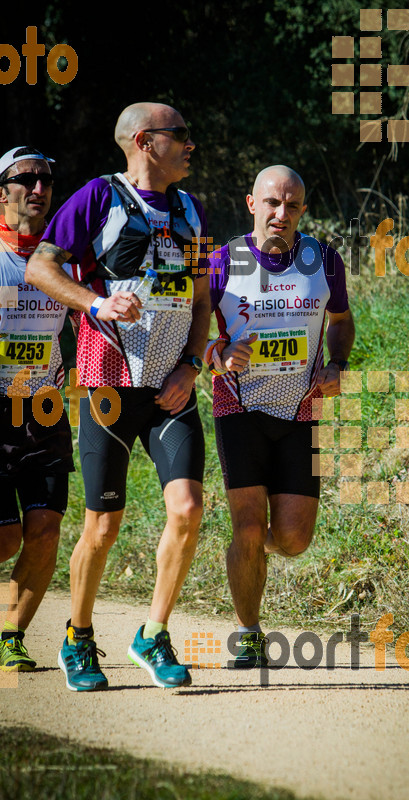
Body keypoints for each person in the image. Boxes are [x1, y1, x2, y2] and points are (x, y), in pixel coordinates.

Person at [26, 102, 210, 691]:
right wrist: (96, 303)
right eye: (179, 135)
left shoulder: (191, 209)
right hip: (107, 384)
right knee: (103, 527)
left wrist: (191, 366)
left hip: (171, 387)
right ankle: (78, 638)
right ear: (143, 141)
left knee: (188, 509)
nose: (190, 144)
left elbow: (202, 300)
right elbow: (39, 268)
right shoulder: (97, 198)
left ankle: (152, 634)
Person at [205, 165, 354, 666]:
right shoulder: (222, 261)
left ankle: (245, 557)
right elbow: (194, 331)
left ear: (303, 210)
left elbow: (342, 320)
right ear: (252, 204)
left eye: (291, 205)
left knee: (292, 539)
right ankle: (249, 633)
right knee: (249, 528)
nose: (280, 213)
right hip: (238, 405)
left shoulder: (323, 260)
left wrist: (338, 364)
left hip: (300, 408)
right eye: (271, 203)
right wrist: (217, 352)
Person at [0, 146, 75, 672]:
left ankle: (10, 636)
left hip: (46, 409)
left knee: (45, 530)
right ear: (1, 190)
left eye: (46, 179)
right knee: (4, 536)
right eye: (26, 179)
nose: (39, 188)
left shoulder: (61, 257)